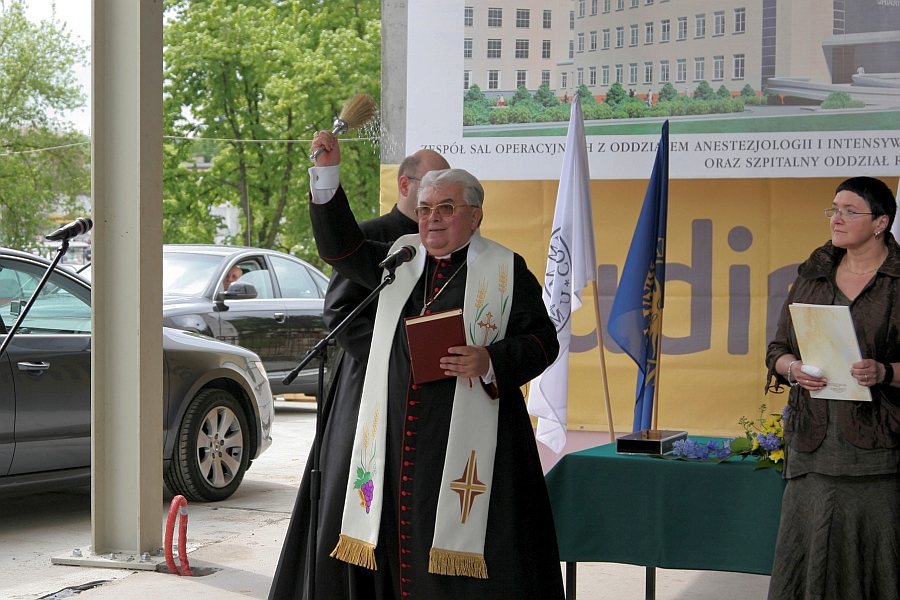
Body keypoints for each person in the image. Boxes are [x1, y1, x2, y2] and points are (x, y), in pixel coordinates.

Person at [272, 129, 564, 600]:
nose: (432, 219)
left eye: (446, 208)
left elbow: (543, 342)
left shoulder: (506, 270)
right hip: (396, 439)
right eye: (425, 209)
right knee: (396, 544)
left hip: (473, 443)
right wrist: (326, 176)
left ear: (475, 215)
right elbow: (341, 248)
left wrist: (489, 358)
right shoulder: (400, 259)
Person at [269, 148, 452, 599]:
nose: (437, 205)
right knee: (356, 498)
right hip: (368, 388)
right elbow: (341, 315)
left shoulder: (452, 246)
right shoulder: (373, 237)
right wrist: (402, 359)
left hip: (431, 394)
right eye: (431, 186)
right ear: (406, 185)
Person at [765, 176, 900, 599]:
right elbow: (777, 350)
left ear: (880, 222)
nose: (836, 219)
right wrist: (794, 369)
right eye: (834, 209)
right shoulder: (814, 273)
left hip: (878, 454)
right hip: (813, 448)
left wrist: (885, 372)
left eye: (849, 211)